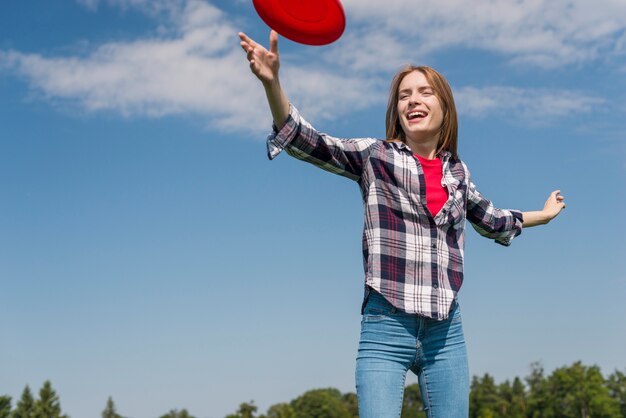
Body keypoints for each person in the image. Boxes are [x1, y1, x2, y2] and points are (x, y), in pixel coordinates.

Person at [238, 30, 565, 418]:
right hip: (385, 323)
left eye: (425, 92)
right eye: (404, 95)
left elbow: (493, 220)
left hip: (446, 330)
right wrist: (273, 84)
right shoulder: (375, 156)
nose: (413, 99)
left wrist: (543, 215)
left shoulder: (458, 173)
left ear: (445, 107)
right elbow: (308, 141)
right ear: (397, 112)